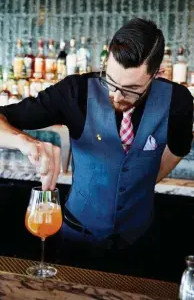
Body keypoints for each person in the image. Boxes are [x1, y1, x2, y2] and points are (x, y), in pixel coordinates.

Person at [0, 18, 193, 277]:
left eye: (132, 89)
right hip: (76, 240)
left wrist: (143, 180)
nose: (116, 96)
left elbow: (179, 148)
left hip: (140, 243)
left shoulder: (177, 101)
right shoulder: (74, 92)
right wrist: (26, 142)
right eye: (111, 80)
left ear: (156, 74)